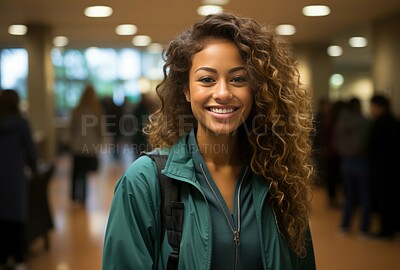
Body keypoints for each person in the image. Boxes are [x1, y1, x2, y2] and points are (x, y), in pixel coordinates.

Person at [103, 13, 316, 269]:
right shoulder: (144, 182)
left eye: (238, 79)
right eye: (207, 79)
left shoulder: (280, 176)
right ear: (186, 90)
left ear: (256, 89)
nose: (223, 93)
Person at [0, 89, 37, 270]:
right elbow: (30, 151)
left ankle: (3, 257)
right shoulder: (21, 124)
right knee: (17, 217)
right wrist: (34, 167)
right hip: (14, 176)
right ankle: (19, 260)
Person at [333, 97, 371, 235]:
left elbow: (336, 141)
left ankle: (345, 225)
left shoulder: (341, 122)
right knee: (364, 195)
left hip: (346, 161)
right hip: (361, 160)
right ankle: (364, 228)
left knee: (349, 195)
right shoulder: (365, 122)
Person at [368, 94, 400, 238]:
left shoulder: (382, 123)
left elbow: (374, 146)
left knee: (385, 201)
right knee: (391, 200)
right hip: (390, 169)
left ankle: (387, 230)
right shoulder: (393, 121)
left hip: (384, 170)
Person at [69, 84, 104, 206]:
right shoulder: (97, 111)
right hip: (90, 147)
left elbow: (72, 128)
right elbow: (101, 130)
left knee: (76, 172)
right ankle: (83, 196)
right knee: (84, 173)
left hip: (78, 146)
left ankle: (74, 195)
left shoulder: (77, 110)